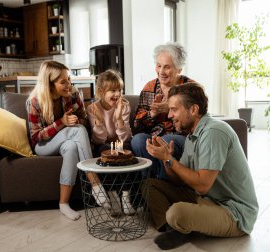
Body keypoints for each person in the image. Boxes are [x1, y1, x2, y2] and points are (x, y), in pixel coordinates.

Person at [144, 82, 258, 250]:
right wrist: (165, 158)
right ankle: (174, 229)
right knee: (149, 185)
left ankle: (181, 224)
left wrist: (169, 159)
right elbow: (178, 180)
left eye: (174, 109)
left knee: (176, 212)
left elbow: (203, 185)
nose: (169, 115)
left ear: (193, 110)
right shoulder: (192, 135)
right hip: (206, 199)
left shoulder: (213, 132)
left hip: (233, 212)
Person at [26, 60, 110, 221]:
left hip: (68, 140)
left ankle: (63, 203)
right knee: (76, 131)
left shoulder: (73, 94)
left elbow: (84, 120)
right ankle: (95, 183)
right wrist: (61, 123)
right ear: (49, 84)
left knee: (72, 146)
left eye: (69, 79)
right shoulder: (35, 101)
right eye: (63, 82)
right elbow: (36, 137)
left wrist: (76, 121)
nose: (69, 84)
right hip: (43, 146)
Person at [131, 42, 195, 180]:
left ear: (178, 69)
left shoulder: (190, 87)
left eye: (167, 67)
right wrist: (152, 114)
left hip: (181, 138)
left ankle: (159, 183)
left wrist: (171, 109)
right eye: (159, 66)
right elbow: (137, 126)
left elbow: (197, 119)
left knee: (166, 140)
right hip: (154, 136)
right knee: (138, 140)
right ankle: (152, 182)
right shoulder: (150, 87)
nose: (161, 72)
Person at [86, 69, 135, 215]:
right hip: (103, 144)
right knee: (105, 150)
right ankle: (113, 198)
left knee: (124, 152)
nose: (117, 94)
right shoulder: (92, 108)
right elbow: (99, 139)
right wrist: (99, 121)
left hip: (121, 143)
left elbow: (125, 137)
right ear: (101, 91)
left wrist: (119, 116)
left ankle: (126, 199)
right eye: (113, 90)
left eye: (119, 90)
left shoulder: (124, 106)